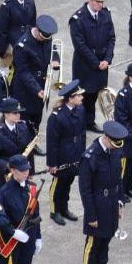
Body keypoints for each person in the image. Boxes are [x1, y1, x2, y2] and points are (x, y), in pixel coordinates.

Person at [78, 120, 129, 264]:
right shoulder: (90, 157)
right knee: (93, 244)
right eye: (114, 143)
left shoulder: (116, 151)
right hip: (97, 204)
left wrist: (120, 201)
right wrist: (91, 215)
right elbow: (85, 190)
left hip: (112, 202)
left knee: (106, 240)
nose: (117, 147)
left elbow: (118, 179)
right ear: (107, 138)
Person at [70, 0, 116, 129]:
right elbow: (80, 46)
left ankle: (89, 121)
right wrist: (97, 63)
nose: (100, 5)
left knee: (96, 93)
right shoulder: (78, 19)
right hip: (86, 65)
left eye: (102, 2)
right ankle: (80, 121)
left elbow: (111, 38)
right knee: (83, 95)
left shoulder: (105, 14)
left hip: (102, 62)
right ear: (89, 0)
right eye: (97, 2)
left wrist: (107, 59)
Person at [45, 80, 87, 226]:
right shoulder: (57, 116)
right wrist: (52, 163)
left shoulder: (80, 110)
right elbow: (52, 142)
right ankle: (54, 210)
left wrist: (82, 154)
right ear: (70, 98)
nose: (82, 98)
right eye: (79, 96)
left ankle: (64, 208)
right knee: (58, 184)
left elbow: (82, 133)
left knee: (68, 182)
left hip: (74, 153)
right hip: (61, 154)